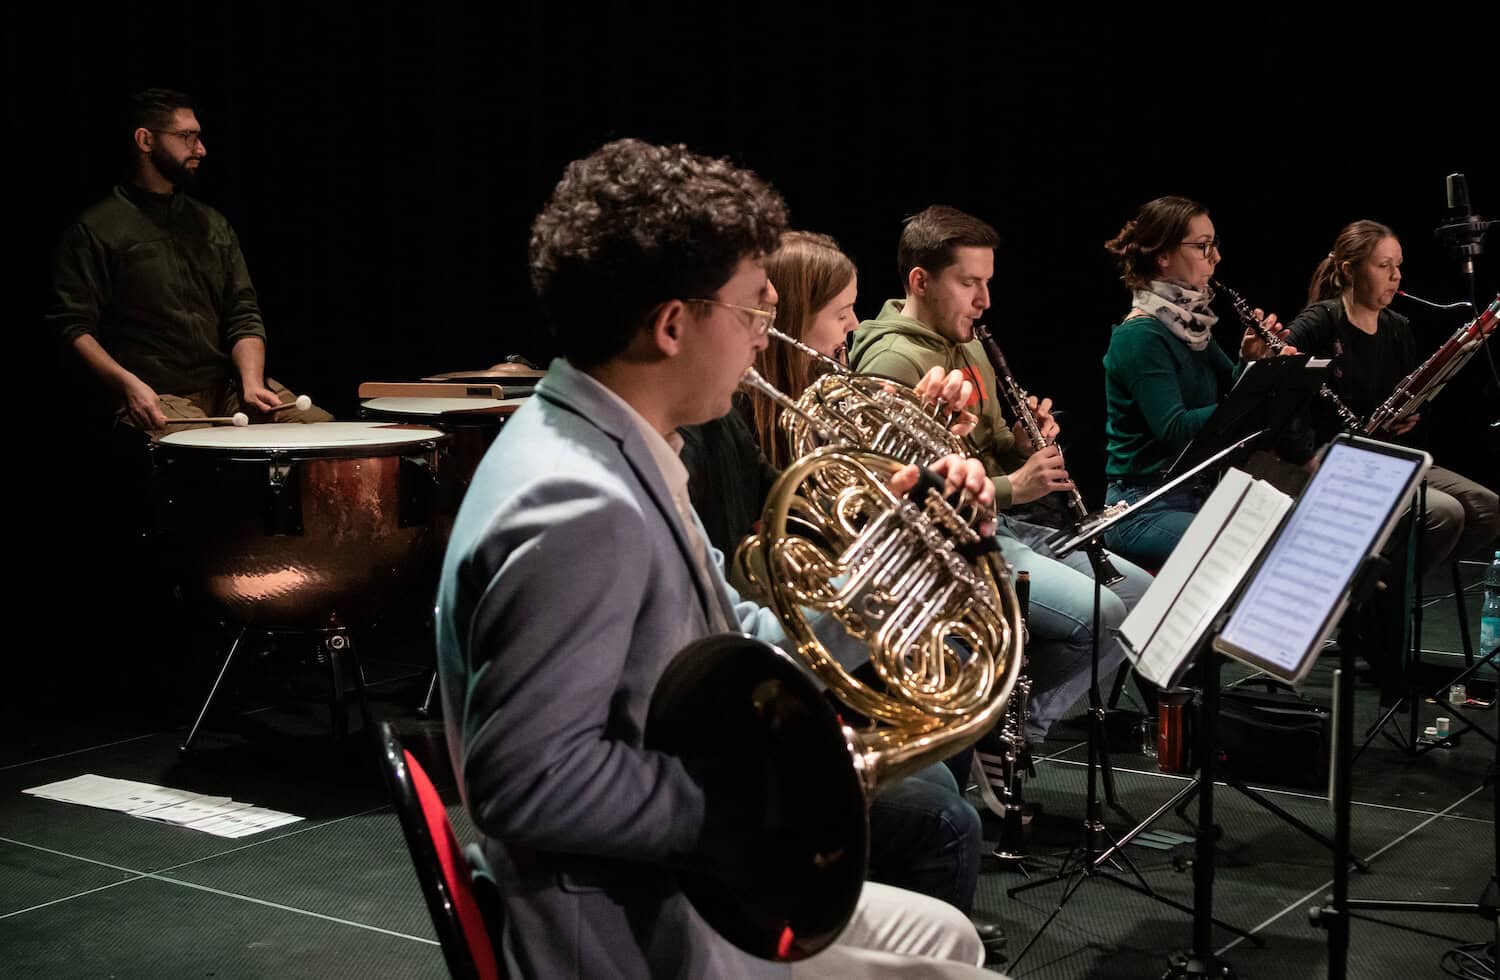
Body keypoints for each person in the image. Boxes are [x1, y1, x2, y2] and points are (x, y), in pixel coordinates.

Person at [435, 139, 998, 978]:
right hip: (634, 929)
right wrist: (757, 798)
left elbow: (732, 637)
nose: (766, 335)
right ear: (672, 325)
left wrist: (900, 565)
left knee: (948, 938)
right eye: (750, 311)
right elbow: (526, 783)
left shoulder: (621, 447)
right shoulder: (579, 503)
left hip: (679, 886)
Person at [680, 230, 1001, 949]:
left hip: (763, 679)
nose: (856, 327)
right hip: (733, 742)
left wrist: (921, 492)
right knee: (945, 818)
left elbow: (807, 527)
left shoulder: (719, 428)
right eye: (753, 314)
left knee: (941, 771)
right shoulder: (686, 445)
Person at [849, 205, 1152, 746]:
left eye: (987, 282)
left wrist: (1019, 446)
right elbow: (901, 498)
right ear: (920, 281)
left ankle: (1011, 723)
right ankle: (1006, 734)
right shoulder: (893, 362)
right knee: (1104, 613)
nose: (984, 300)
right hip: (949, 548)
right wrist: (1018, 486)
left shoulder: (968, 343)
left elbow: (986, 451)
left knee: (1142, 595)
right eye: (969, 283)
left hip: (1002, 527)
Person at [1286, 220, 1499, 701]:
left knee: (1487, 509)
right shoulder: (1319, 323)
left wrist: (1413, 416)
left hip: (1388, 455)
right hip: (1333, 462)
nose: (1396, 276)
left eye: (1398, 266)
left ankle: (1368, 599)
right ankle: (1377, 616)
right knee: (1443, 513)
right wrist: (1305, 454)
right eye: (1384, 266)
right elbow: (1284, 395)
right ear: (1349, 270)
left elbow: (1411, 403)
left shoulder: (1398, 328)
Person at [45, 88, 328, 435]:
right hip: (156, 394)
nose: (200, 149)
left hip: (227, 390)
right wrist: (127, 384)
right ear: (145, 140)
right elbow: (73, 326)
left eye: (199, 137)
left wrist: (252, 381)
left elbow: (242, 312)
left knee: (320, 433)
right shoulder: (97, 229)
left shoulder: (212, 224)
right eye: (186, 137)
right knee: (202, 451)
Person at [1099, 195, 1294, 569]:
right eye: (1203, 246)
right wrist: (1264, 389)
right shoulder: (1141, 335)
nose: (1215, 257)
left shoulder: (1187, 323)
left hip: (1194, 493)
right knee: (1253, 555)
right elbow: (1176, 430)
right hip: (1142, 508)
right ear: (1162, 255)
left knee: (1293, 531)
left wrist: (1254, 363)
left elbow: (1231, 395)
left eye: (1214, 244)